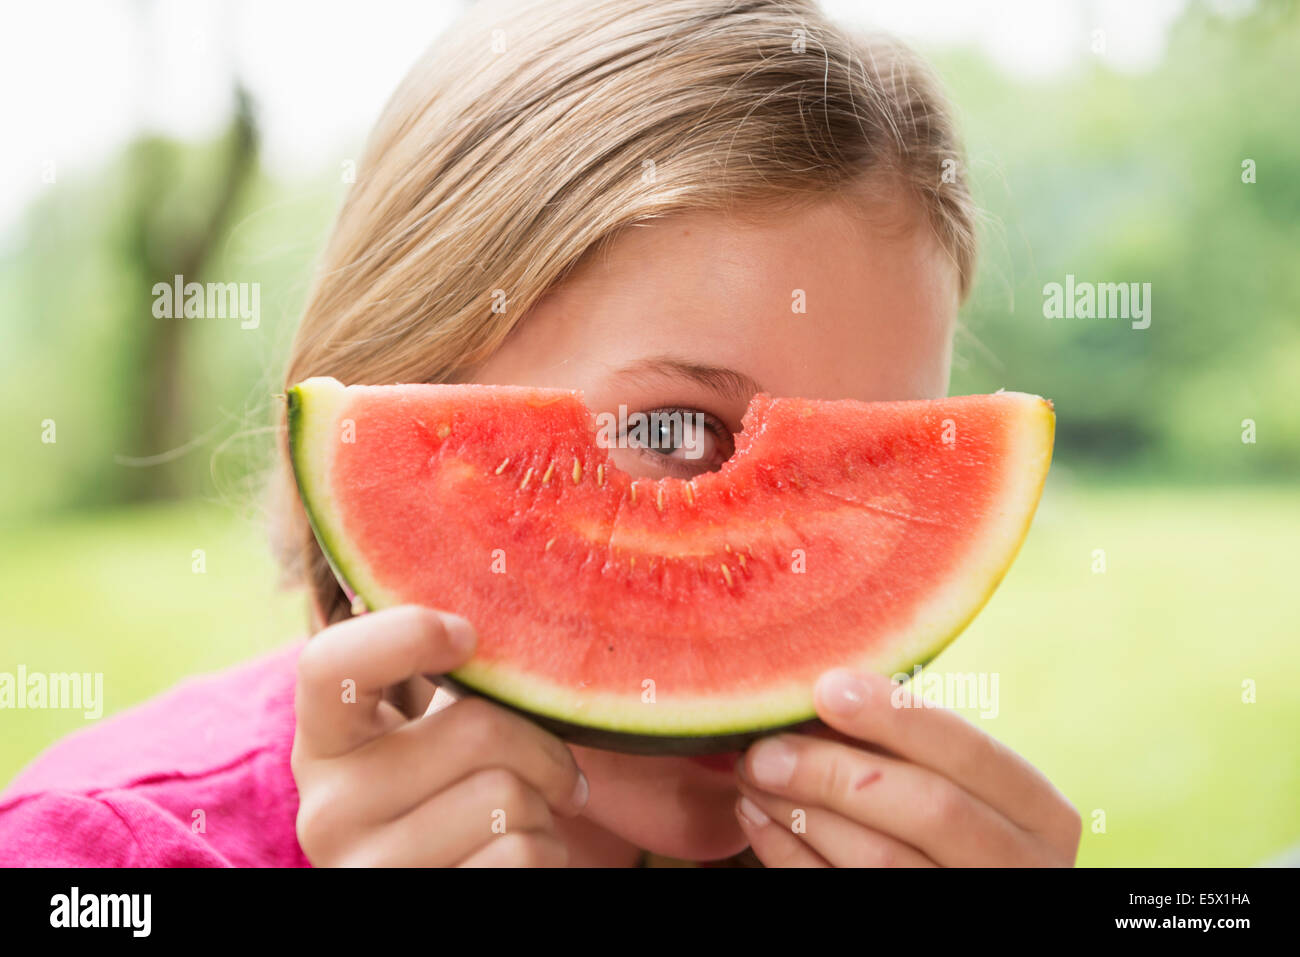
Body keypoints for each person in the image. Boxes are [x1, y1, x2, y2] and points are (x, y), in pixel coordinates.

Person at [0, 0, 1080, 867]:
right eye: (672, 427)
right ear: (403, 385)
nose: (799, 569)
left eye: (863, 477)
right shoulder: (93, 854)